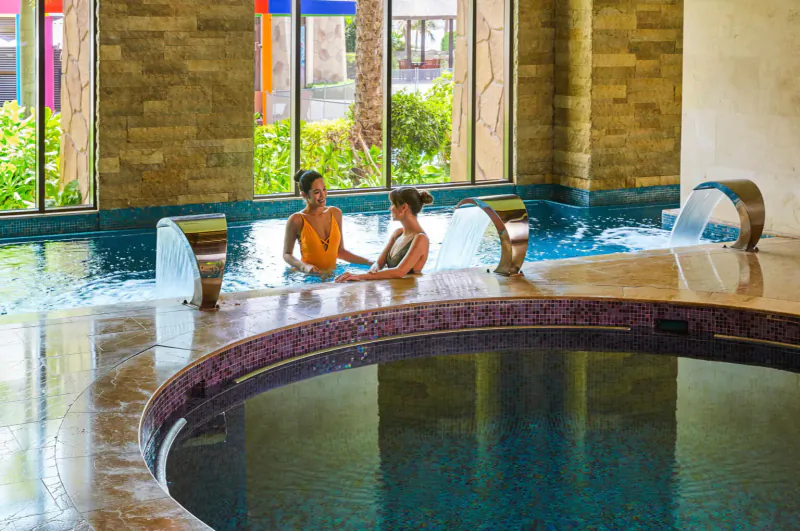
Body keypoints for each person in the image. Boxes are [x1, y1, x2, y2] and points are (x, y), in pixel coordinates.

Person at [335, 187, 432, 282]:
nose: (390, 208)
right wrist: (373, 269)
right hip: (394, 291)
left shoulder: (421, 238)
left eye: (393, 204)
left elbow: (400, 271)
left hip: (408, 294)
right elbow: (379, 263)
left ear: (404, 207)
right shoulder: (398, 233)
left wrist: (360, 276)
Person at [283, 170, 372, 273]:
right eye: (316, 192)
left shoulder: (335, 213)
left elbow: (340, 251)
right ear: (305, 195)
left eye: (324, 189)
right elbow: (287, 254)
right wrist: (304, 266)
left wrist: (370, 262)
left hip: (333, 277)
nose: (323, 195)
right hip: (308, 278)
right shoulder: (296, 220)